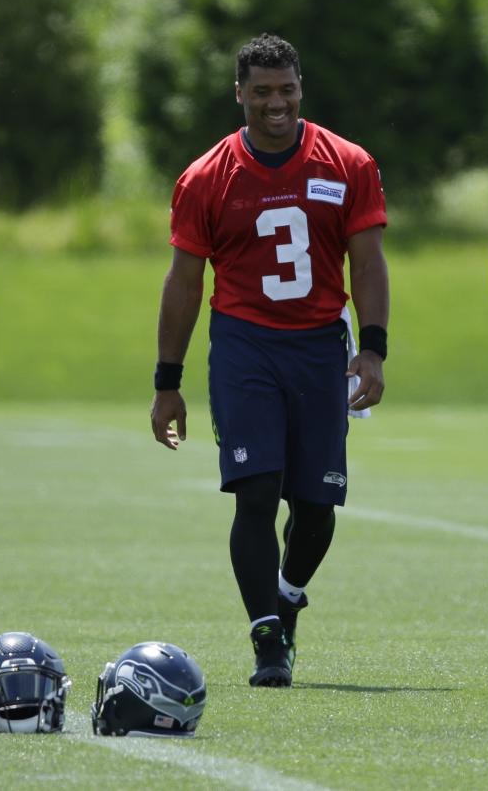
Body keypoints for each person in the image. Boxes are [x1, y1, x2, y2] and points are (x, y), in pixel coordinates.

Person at [150, 33, 390, 687]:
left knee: (317, 505)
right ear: (239, 96)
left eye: (285, 89)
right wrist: (166, 383)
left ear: (301, 88)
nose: (275, 103)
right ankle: (265, 637)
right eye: (261, 92)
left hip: (319, 345)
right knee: (255, 492)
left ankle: (286, 595)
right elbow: (183, 282)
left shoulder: (347, 163)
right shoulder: (206, 177)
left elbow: (366, 263)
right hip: (245, 346)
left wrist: (372, 349)